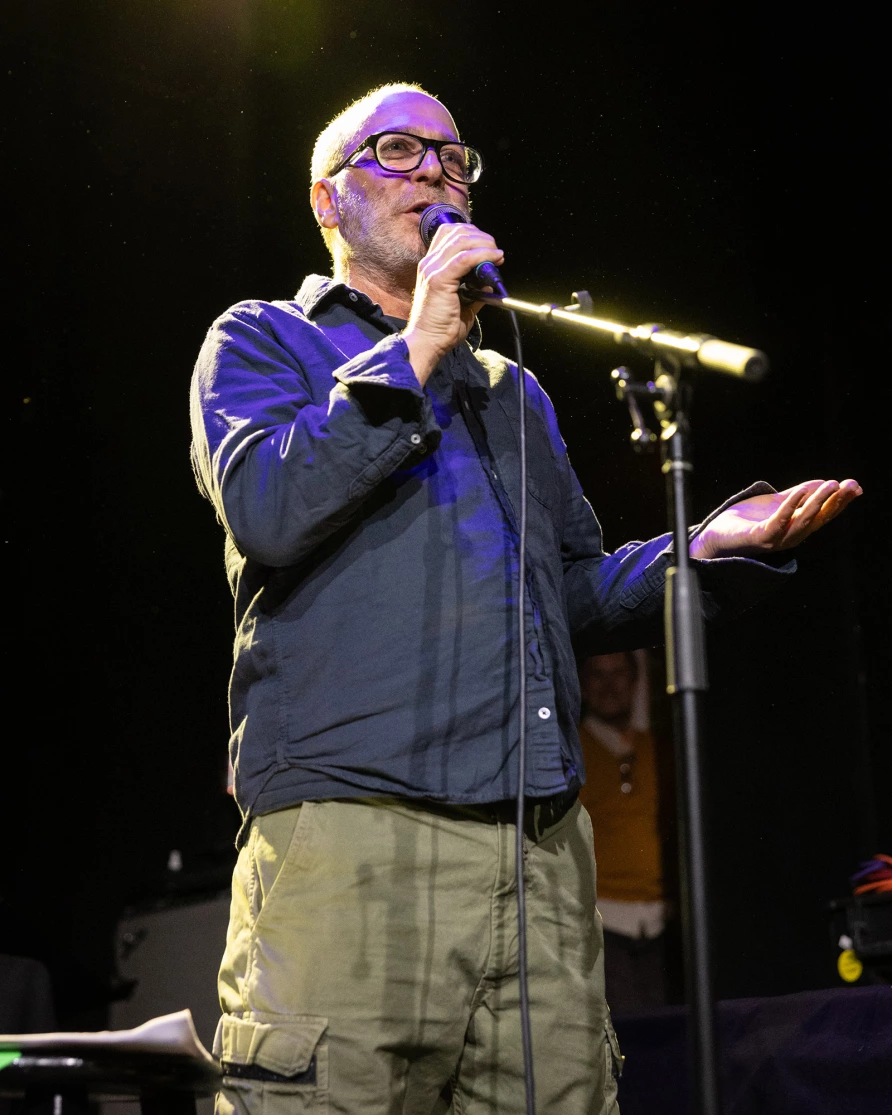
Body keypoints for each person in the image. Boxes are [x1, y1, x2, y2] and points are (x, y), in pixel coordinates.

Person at [189, 81, 861, 1115]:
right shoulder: (262, 340)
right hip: (353, 839)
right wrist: (414, 346)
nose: (436, 175)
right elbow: (270, 508)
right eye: (400, 151)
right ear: (329, 202)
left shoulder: (512, 391)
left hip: (535, 854)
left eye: (454, 159)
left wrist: (706, 548)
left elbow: (576, 592)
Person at [578, 650, 678, 1012]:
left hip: (662, 925)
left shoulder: (657, 749)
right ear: (583, 685)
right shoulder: (571, 751)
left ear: (636, 682)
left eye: (618, 673)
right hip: (602, 926)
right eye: (597, 675)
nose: (609, 685)